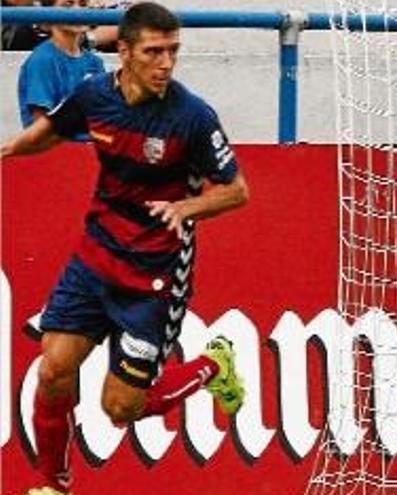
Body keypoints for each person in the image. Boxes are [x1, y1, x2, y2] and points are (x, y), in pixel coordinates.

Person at [1, 3, 249, 495]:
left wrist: (187, 209)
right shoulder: (95, 95)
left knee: (121, 410)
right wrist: (8, 149)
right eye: (154, 52)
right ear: (125, 51)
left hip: (153, 276)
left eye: (173, 51)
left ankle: (212, 365)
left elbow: (237, 189)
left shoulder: (192, 117)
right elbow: (48, 132)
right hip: (96, 255)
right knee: (52, 371)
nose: (166, 63)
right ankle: (54, 484)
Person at [17, 0, 107, 129]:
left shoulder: (95, 62)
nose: (77, 11)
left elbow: (102, 116)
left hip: (90, 144)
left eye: (83, 4)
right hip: (54, 145)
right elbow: (40, 127)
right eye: (67, 5)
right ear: (49, 12)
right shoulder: (42, 60)